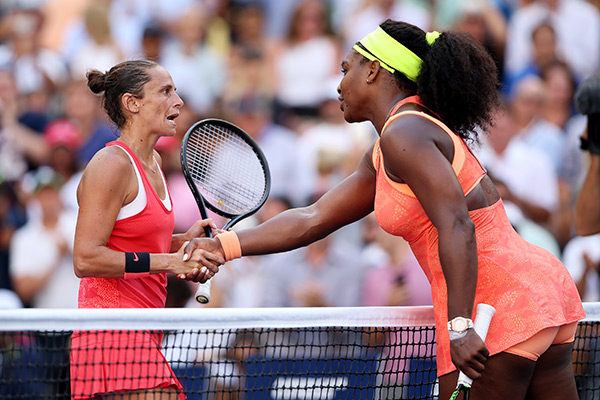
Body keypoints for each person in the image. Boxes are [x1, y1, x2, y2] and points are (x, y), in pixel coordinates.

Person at [185, 19, 585, 399]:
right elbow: (314, 218)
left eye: (346, 70)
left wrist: (461, 325)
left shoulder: (404, 133)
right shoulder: (393, 144)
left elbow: (457, 224)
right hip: (539, 292)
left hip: (492, 303)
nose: (339, 85)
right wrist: (226, 245)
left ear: (374, 70)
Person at [70, 59, 223, 400]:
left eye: (176, 91)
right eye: (165, 91)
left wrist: (180, 244)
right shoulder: (110, 165)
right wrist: (169, 262)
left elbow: (128, 241)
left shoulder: (152, 164)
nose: (178, 101)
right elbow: (86, 258)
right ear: (132, 103)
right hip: (111, 332)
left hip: (145, 330)